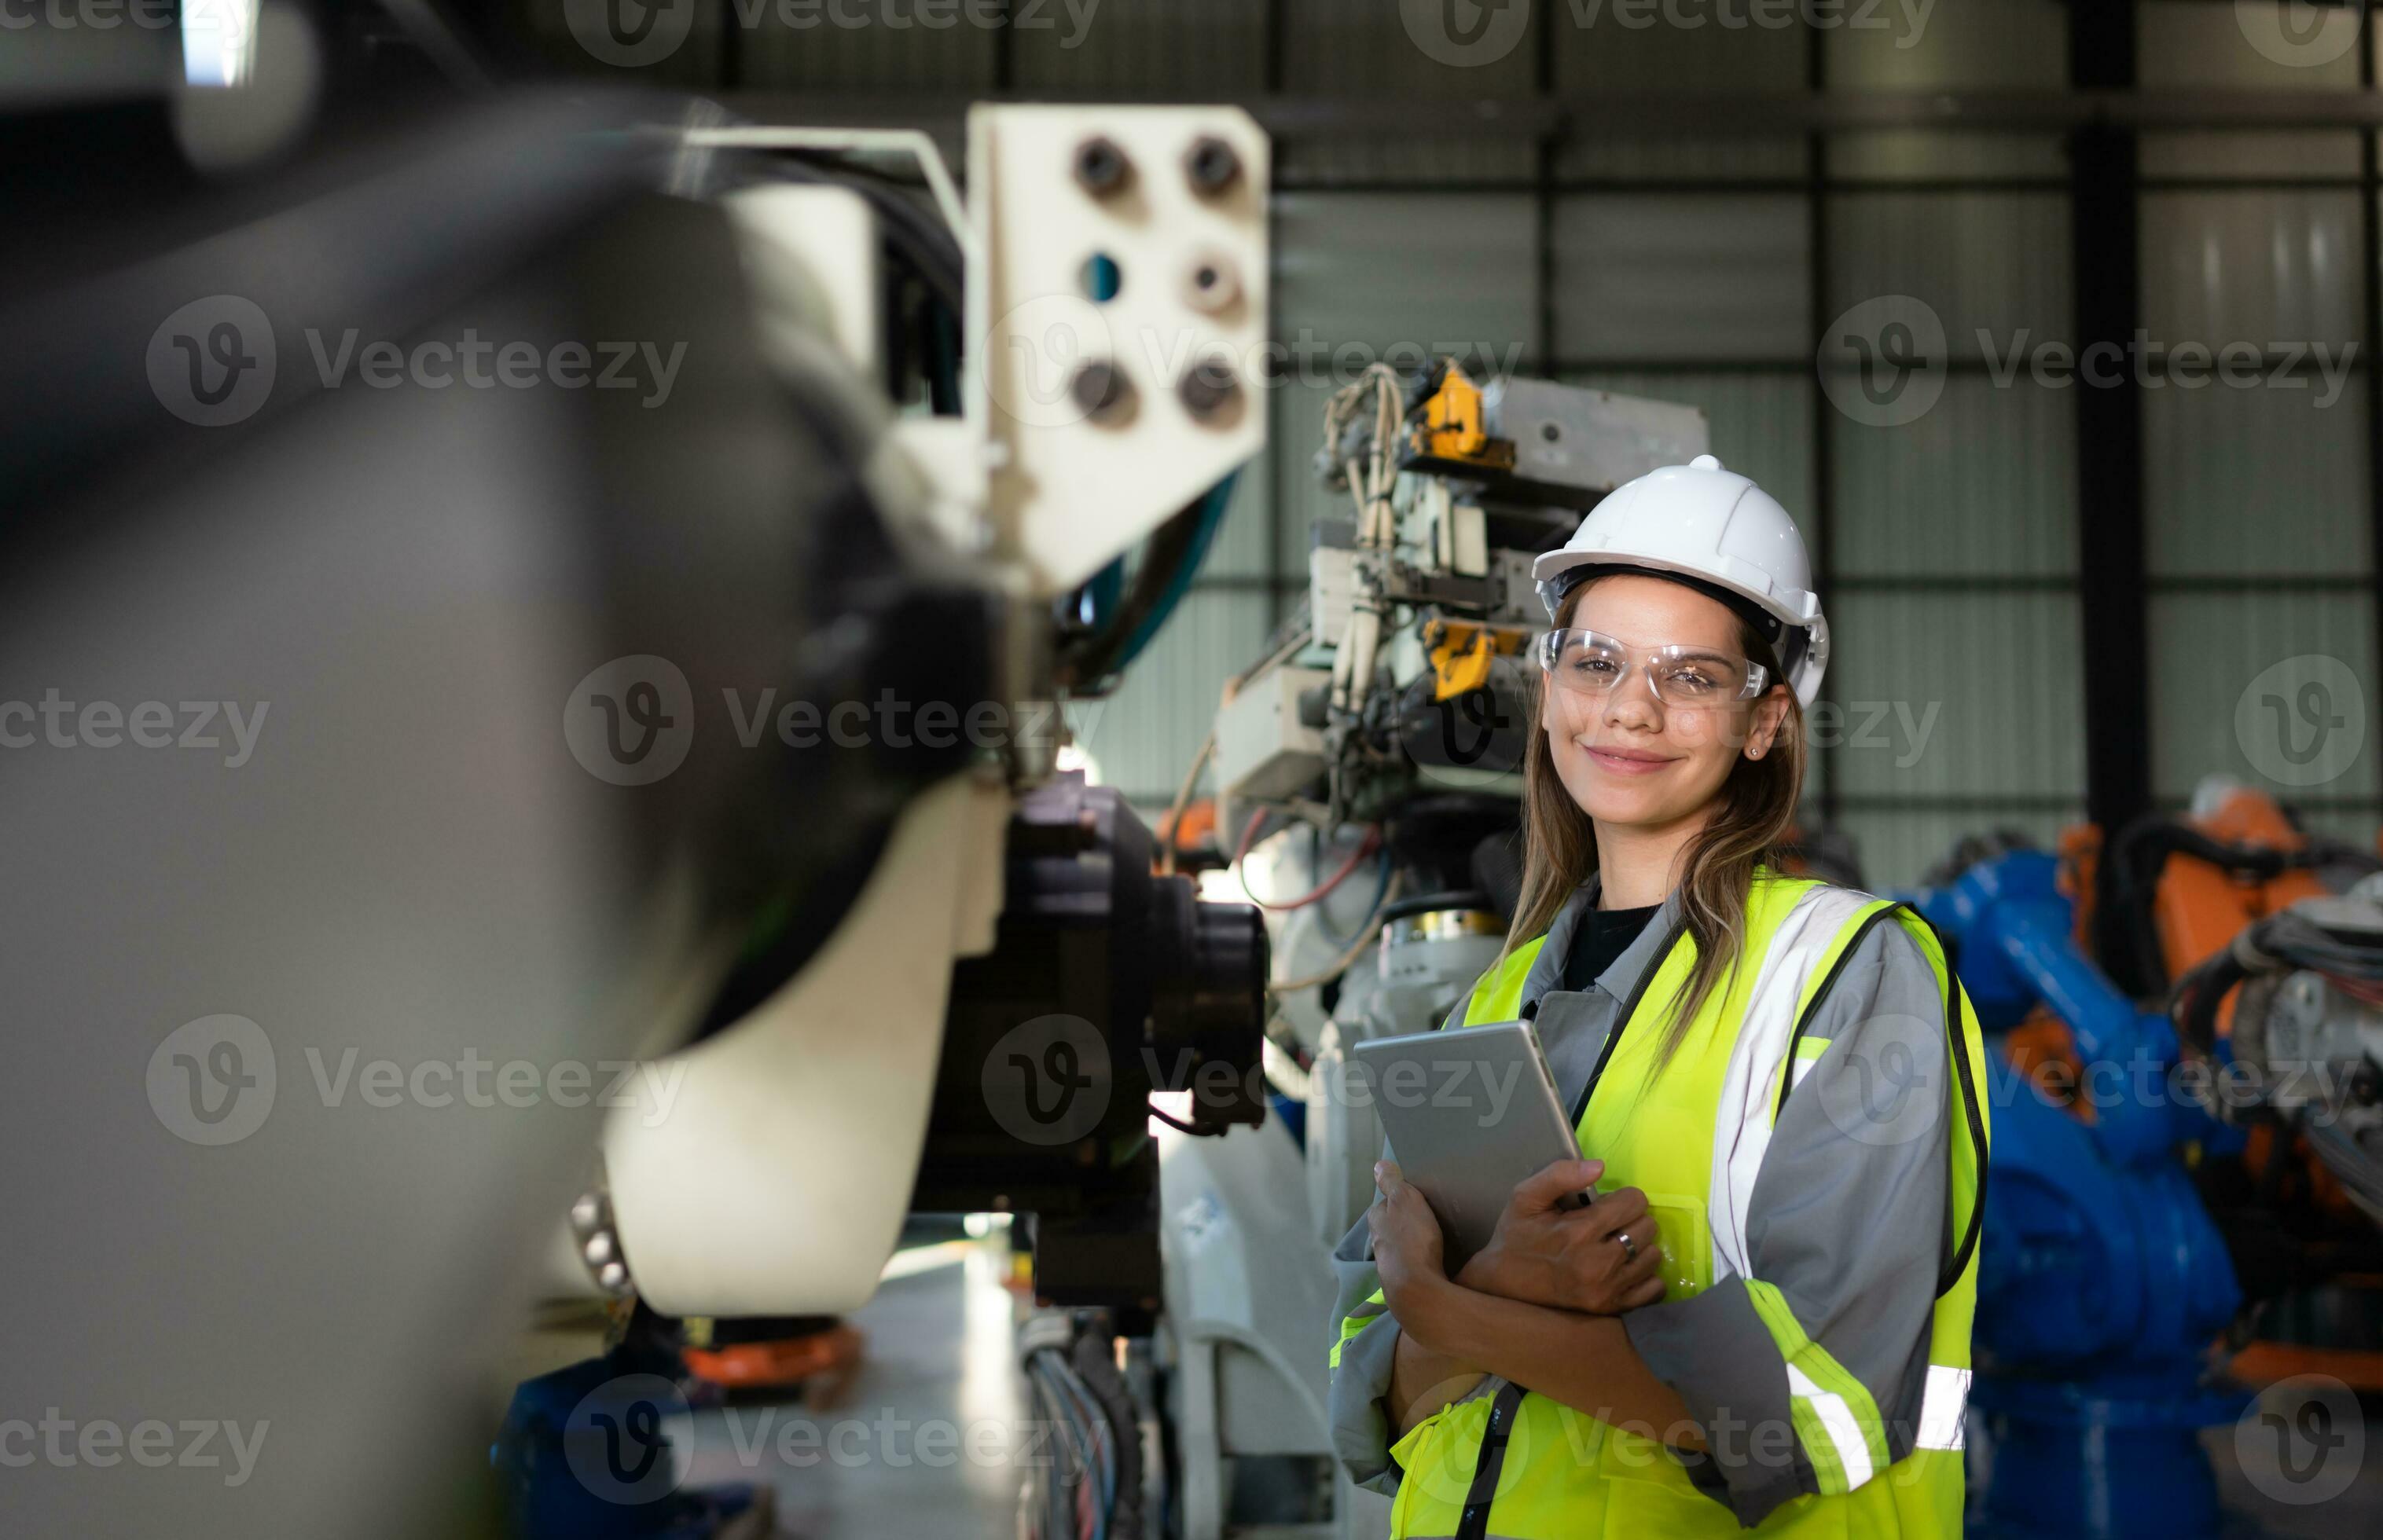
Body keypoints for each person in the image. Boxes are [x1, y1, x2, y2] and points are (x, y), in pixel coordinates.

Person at [1327, 456, 1989, 1537]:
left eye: (1691, 677)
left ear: (1765, 720)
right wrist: (1499, 1286)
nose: (1630, 710)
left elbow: (1802, 1413)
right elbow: (1367, 1400)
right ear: (1548, 691)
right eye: (1597, 662)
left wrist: (1448, 1304)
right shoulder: (1491, 1001)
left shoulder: (1852, 977)